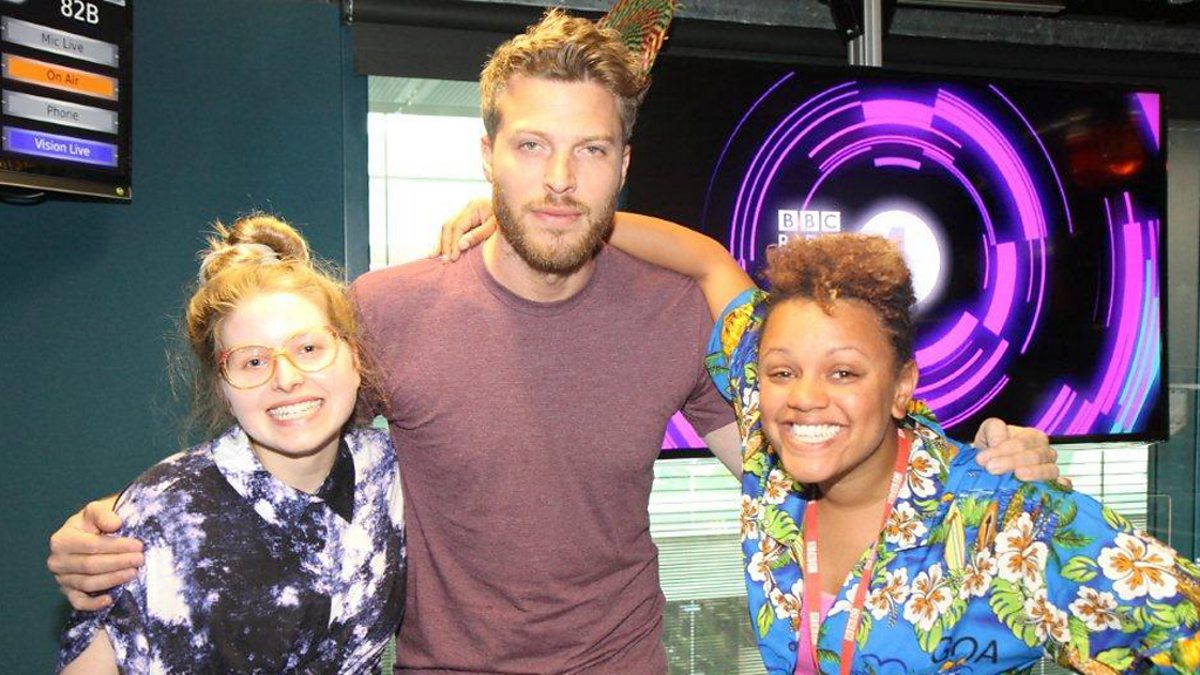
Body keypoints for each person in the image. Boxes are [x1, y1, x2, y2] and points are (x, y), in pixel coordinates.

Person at [47, 8, 1058, 674]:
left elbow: (810, 457)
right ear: (488, 153)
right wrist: (118, 532)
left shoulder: (674, 315)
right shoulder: (386, 312)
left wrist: (978, 475)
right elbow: (277, 441)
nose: (561, 180)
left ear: (624, 165)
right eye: (531, 146)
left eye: (590, 149)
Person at [565, 215, 1200, 672]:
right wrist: (549, 216)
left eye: (844, 372)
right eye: (782, 371)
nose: (805, 396)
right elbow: (706, 260)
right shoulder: (771, 450)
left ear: (901, 387)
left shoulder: (1005, 519)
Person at [56, 215, 405, 674]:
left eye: (308, 348)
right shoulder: (161, 515)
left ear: (354, 358)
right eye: (252, 361)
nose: (286, 378)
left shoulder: (388, 471)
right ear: (223, 387)